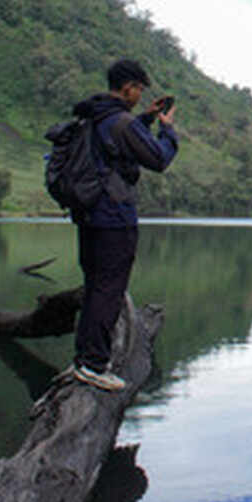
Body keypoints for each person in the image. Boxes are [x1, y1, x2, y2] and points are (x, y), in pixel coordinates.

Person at [70, 58, 178, 390]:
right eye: (139, 89)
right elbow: (158, 158)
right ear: (129, 87)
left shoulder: (94, 115)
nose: (140, 95)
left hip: (88, 214)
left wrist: (145, 118)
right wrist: (167, 129)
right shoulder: (121, 122)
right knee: (110, 290)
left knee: (95, 286)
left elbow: (117, 143)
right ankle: (93, 365)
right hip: (114, 217)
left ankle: (84, 360)